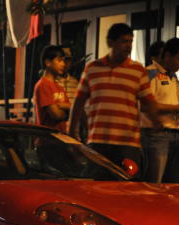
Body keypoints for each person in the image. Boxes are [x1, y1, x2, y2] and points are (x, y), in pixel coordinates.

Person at [68, 23, 161, 173]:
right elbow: (78, 101)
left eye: (131, 41)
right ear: (110, 42)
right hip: (98, 140)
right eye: (124, 41)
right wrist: (72, 131)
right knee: (97, 187)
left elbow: (148, 101)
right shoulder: (92, 68)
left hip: (128, 142)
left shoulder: (137, 70)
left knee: (126, 188)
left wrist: (156, 121)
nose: (128, 46)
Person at [140, 37, 179, 183]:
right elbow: (144, 105)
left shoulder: (173, 76)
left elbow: (175, 103)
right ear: (167, 55)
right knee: (153, 184)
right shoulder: (149, 74)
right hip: (156, 135)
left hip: (176, 135)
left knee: (172, 184)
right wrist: (176, 108)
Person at [33, 45, 71, 132]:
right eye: (59, 60)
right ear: (48, 62)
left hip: (61, 137)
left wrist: (58, 105)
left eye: (64, 61)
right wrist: (66, 111)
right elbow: (56, 115)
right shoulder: (43, 85)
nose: (63, 64)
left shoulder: (59, 87)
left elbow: (71, 108)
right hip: (47, 139)